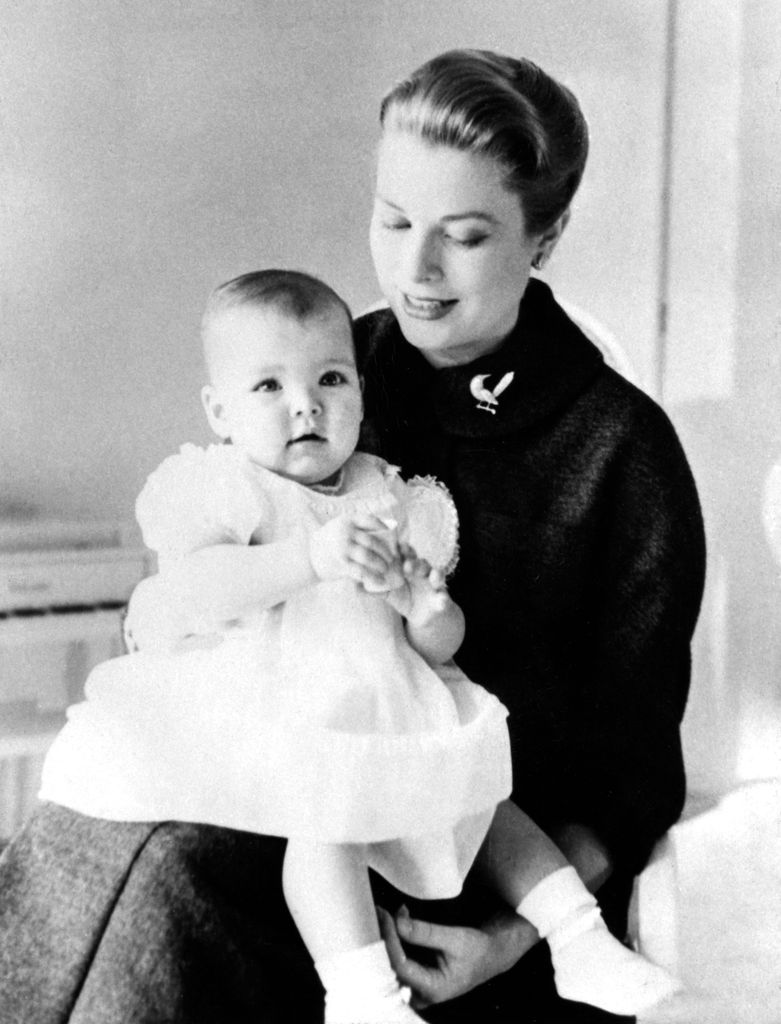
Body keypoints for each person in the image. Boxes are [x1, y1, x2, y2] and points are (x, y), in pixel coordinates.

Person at [0, 50, 705, 1024]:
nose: (413, 271)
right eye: (393, 220)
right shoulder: (318, 366)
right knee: (102, 834)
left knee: (172, 874)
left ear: (545, 235)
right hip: (276, 791)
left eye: (461, 236)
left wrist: (517, 938)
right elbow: (192, 587)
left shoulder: (620, 451)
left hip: (465, 866)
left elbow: (634, 773)